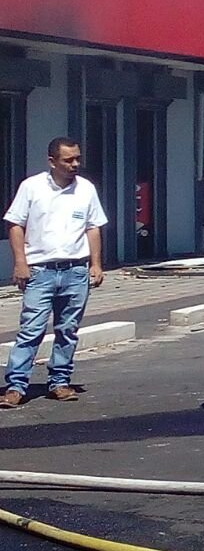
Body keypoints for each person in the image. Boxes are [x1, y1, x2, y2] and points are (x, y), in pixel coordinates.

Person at [1, 137, 107, 408]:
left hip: (75, 270)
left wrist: (95, 263)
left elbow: (93, 227)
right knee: (31, 330)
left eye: (77, 159)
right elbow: (15, 224)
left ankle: (59, 382)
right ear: (52, 162)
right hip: (40, 271)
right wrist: (20, 262)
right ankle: (16, 387)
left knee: (68, 329)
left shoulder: (86, 189)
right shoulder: (32, 187)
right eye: (68, 160)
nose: (75, 164)